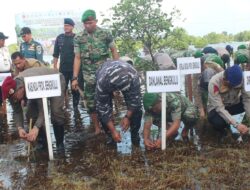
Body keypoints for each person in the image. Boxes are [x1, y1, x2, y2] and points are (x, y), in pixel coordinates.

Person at [72, 9, 119, 134]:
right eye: (85, 23)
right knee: (91, 102)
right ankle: (97, 128)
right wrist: (74, 77)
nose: (88, 25)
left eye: (90, 23)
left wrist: (116, 70)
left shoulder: (105, 34)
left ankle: (110, 127)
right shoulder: (79, 37)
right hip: (88, 76)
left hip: (104, 74)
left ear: (96, 21)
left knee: (107, 100)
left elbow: (114, 51)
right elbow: (77, 58)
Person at [1, 67, 66, 150]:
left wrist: (36, 127)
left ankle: (60, 144)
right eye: (11, 98)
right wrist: (20, 128)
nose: (14, 100)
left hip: (55, 80)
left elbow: (43, 109)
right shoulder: (11, 92)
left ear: (21, 88)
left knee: (56, 112)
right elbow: (17, 112)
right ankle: (42, 143)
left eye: (15, 97)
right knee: (30, 114)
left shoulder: (31, 84)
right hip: (38, 86)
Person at [95, 60, 142, 146]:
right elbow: (102, 109)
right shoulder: (102, 82)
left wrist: (127, 117)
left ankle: (135, 135)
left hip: (129, 77)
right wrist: (113, 130)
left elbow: (135, 101)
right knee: (101, 111)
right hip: (105, 73)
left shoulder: (134, 76)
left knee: (137, 109)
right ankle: (110, 136)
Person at [207, 64, 249, 140]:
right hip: (218, 108)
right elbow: (220, 108)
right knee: (217, 122)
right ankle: (223, 131)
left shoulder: (242, 78)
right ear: (225, 79)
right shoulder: (214, 83)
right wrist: (236, 125)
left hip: (233, 104)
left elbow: (246, 99)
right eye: (231, 85)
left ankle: (245, 125)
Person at [53, 18, 81, 109]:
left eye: (68, 26)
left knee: (75, 90)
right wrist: (55, 67)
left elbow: (80, 55)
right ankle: (63, 108)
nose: (66, 27)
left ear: (72, 27)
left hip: (75, 70)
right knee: (62, 89)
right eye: (65, 25)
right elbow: (56, 54)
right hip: (63, 69)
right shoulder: (59, 38)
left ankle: (76, 109)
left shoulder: (76, 37)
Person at [0, 32, 12, 112]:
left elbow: (10, 61)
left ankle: (5, 112)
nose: (4, 41)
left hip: (8, 74)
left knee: (9, 95)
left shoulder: (6, 49)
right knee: (0, 96)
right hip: (0, 74)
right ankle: (2, 112)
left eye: (4, 40)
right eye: (2, 40)